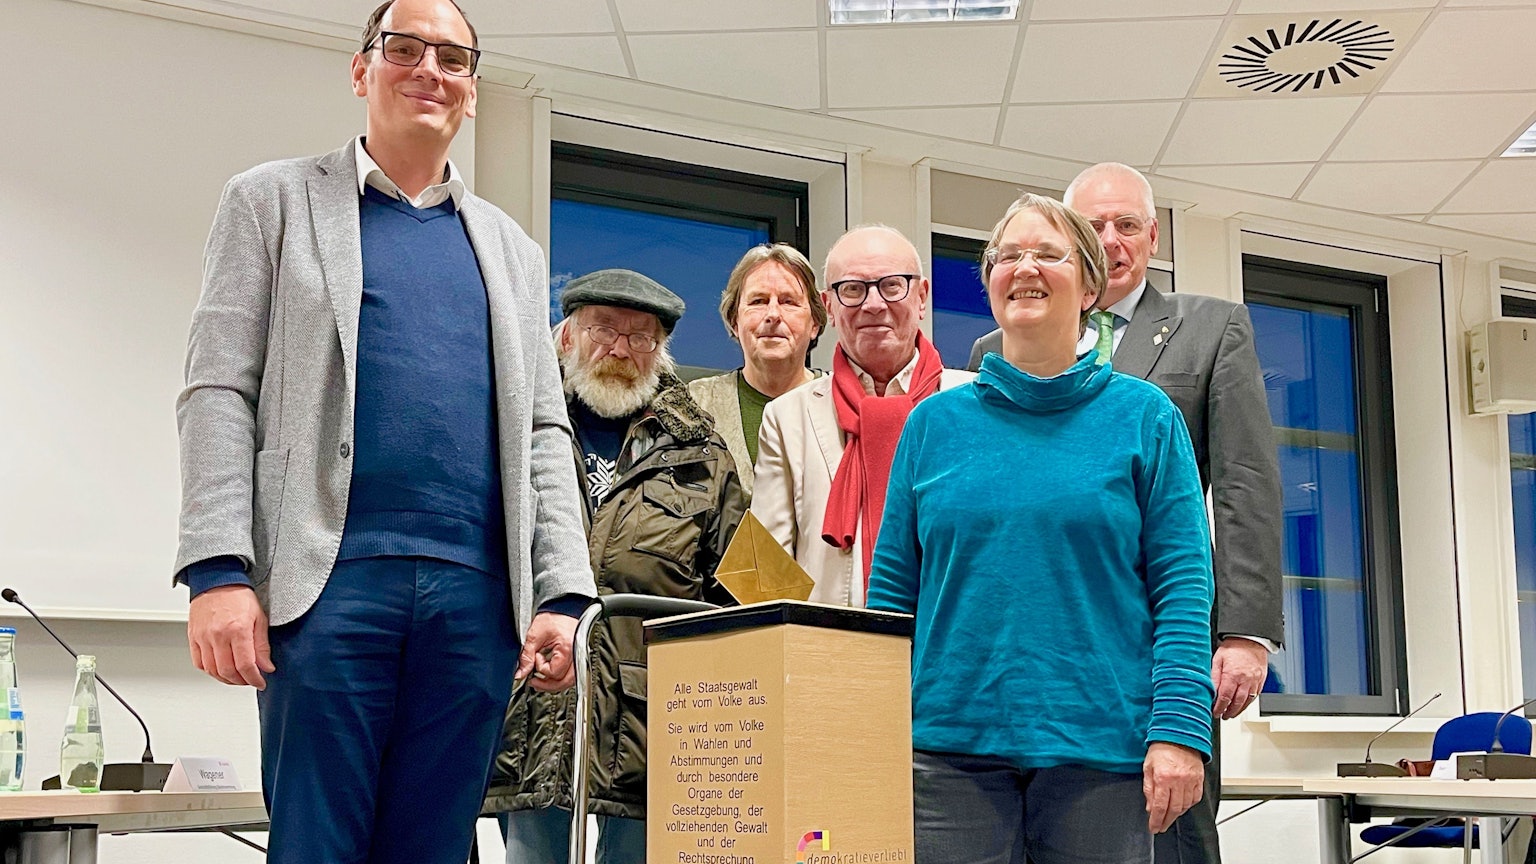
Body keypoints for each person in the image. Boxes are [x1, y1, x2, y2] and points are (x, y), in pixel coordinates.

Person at [172, 1, 597, 860]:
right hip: (326, 590)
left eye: (452, 57)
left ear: (471, 91)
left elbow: (545, 430)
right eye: (404, 48)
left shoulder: (511, 251)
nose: (429, 70)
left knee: (435, 850)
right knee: (319, 845)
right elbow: (218, 386)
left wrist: (562, 593)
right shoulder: (272, 202)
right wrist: (217, 568)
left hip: (478, 604)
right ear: (362, 70)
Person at [868, 193, 1215, 864]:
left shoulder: (1147, 418)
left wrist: (1179, 730)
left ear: (1091, 285)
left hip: (1102, 757)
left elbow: (1182, 590)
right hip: (945, 756)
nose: (1023, 267)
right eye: (1007, 256)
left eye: (1047, 254)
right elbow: (891, 596)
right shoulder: (933, 426)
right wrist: (874, 732)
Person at [971, 163, 1283, 864]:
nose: (1111, 240)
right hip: (1049, 648)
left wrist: (1245, 632)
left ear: (1153, 235)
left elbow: (1245, 482)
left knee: (1175, 831)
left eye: (1127, 225)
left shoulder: (1211, 328)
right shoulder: (995, 352)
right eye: (1096, 227)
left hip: (1167, 632)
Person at [487, 269, 747, 864]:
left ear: (660, 353)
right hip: (529, 710)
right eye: (604, 329)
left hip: (653, 722)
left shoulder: (704, 454)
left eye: (641, 336)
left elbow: (748, 588)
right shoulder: (514, 432)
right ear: (567, 337)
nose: (621, 348)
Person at [751, 226, 971, 606]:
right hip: (832, 654)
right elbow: (764, 575)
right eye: (852, 289)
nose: (873, 304)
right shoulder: (786, 419)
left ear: (922, 297)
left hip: (952, 651)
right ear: (830, 306)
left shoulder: (973, 402)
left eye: (891, 286)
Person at [688, 244, 827, 497]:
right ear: (734, 320)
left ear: (815, 322)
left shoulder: (844, 404)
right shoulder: (695, 404)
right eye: (758, 301)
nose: (773, 314)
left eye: (789, 302)